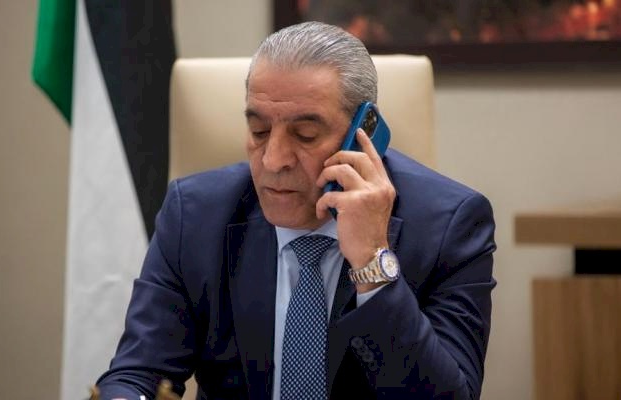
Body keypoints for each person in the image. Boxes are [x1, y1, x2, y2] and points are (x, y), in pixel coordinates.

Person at [96, 21, 496, 400]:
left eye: (305, 135)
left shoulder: (450, 226)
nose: (273, 160)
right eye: (259, 131)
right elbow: (139, 373)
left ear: (363, 135)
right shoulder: (195, 216)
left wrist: (372, 263)